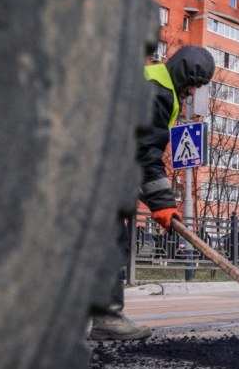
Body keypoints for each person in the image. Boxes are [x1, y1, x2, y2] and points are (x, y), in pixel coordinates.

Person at [89, 45, 216, 340]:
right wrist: (163, 203)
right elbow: (145, 153)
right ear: (184, 77)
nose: (192, 92)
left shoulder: (150, 79)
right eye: (193, 84)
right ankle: (107, 321)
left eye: (197, 86)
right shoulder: (159, 92)